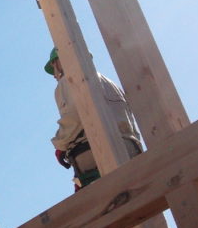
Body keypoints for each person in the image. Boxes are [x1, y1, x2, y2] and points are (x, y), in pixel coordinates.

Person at [45, 47, 142, 191]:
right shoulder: (109, 83)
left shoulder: (66, 82)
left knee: (97, 204)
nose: (54, 74)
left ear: (60, 62)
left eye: (53, 66)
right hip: (131, 150)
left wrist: (60, 146)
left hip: (97, 150)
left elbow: (73, 119)